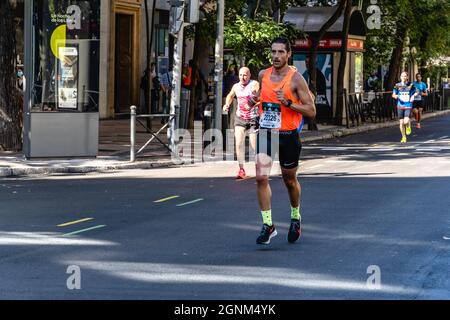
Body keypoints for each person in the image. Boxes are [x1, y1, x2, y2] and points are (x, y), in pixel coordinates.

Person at [255, 37, 316, 245]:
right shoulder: (263, 75)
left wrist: (288, 102)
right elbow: (263, 98)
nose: (276, 56)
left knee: (289, 180)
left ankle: (295, 216)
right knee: (261, 178)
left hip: (288, 136)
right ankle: (268, 225)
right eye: (273, 52)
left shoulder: (296, 79)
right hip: (266, 132)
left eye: (281, 52)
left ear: (289, 54)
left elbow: (311, 110)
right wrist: (257, 100)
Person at [223, 67, 260, 179]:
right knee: (238, 143)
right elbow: (230, 95)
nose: (242, 77)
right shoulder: (236, 86)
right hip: (240, 118)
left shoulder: (254, 84)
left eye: (245, 75)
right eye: (240, 75)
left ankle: (259, 168)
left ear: (249, 75)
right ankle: (241, 169)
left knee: (254, 146)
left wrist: (253, 101)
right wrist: (227, 104)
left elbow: (257, 96)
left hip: (253, 118)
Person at [392, 71, 418, 143]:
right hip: (400, 105)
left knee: (406, 121)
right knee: (401, 122)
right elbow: (393, 94)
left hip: (408, 105)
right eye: (402, 76)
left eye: (405, 76)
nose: (403, 77)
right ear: (400, 77)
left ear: (407, 77)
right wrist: (396, 96)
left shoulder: (411, 85)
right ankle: (403, 137)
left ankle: (408, 126)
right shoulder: (397, 85)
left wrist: (413, 96)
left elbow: (417, 92)